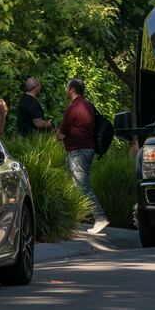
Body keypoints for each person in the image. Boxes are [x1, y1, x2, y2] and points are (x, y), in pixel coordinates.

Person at [57, 78, 109, 234]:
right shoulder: (88, 105)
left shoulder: (73, 108)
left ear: (72, 90)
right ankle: (69, 220)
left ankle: (100, 218)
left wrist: (56, 137)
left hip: (77, 151)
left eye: (67, 88)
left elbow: (62, 133)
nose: (66, 91)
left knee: (83, 186)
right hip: (88, 149)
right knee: (75, 186)